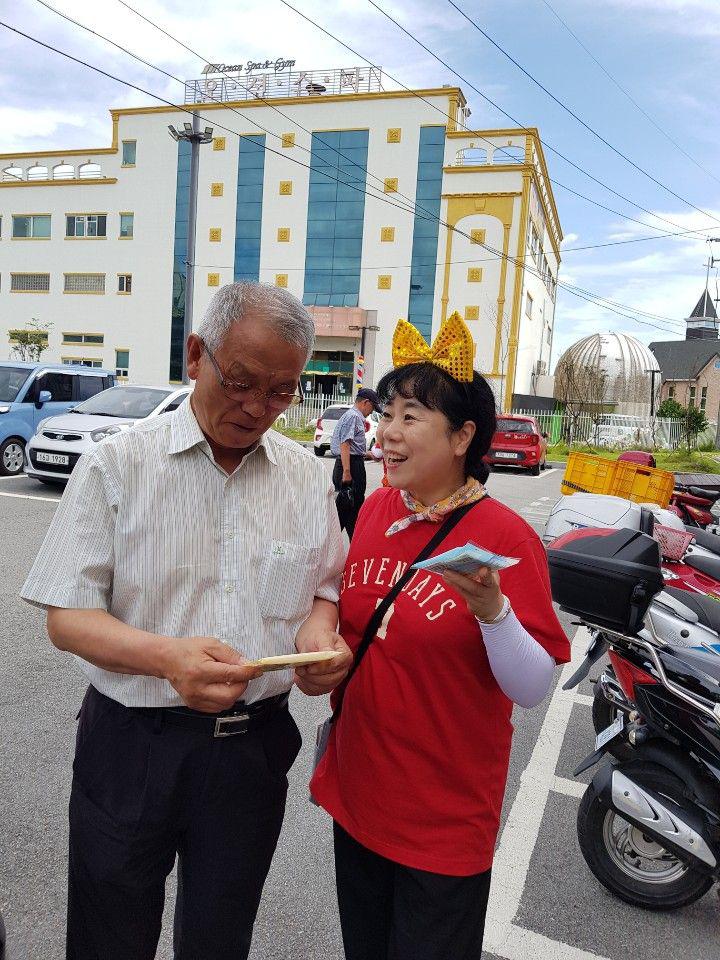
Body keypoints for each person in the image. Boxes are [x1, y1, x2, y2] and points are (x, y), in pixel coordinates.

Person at [20, 282, 352, 960]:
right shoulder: (120, 464)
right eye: (241, 381)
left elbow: (325, 588)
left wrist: (320, 635)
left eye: (282, 391)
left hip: (249, 752)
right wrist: (168, 658)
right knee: (108, 930)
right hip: (132, 743)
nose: (258, 408)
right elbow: (68, 617)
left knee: (220, 936)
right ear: (196, 355)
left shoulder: (302, 477)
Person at [311, 313, 571, 960]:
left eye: (410, 417)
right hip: (359, 796)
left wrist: (493, 610)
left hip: (443, 826)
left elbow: (533, 685)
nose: (387, 433)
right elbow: (343, 614)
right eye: (387, 414)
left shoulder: (505, 537)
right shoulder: (374, 510)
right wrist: (321, 652)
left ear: (462, 436)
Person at [330, 387, 382, 538]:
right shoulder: (353, 416)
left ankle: (351, 543)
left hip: (351, 462)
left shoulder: (353, 416)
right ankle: (338, 543)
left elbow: (351, 446)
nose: (371, 412)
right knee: (349, 506)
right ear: (366, 402)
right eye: (372, 407)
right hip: (350, 466)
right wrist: (347, 472)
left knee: (349, 507)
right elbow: (345, 444)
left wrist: (368, 454)